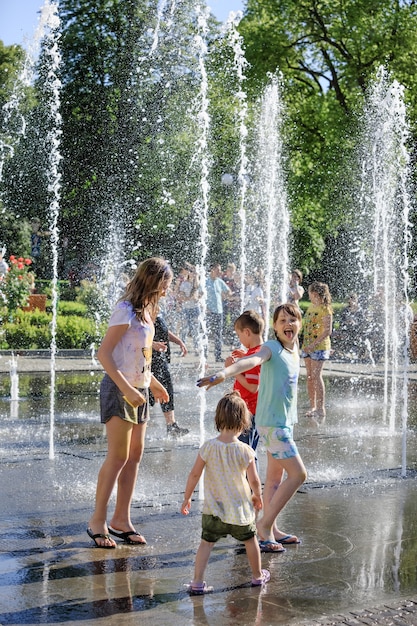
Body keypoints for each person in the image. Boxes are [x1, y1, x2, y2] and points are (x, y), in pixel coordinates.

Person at [197, 303, 307, 551]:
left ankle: (272, 529)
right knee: (299, 474)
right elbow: (249, 361)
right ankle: (264, 526)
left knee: (275, 479)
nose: (288, 324)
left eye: (292, 320)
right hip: (272, 425)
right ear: (275, 328)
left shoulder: (293, 349)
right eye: (282, 321)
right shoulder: (271, 348)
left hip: (284, 422)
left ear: (300, 323)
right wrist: (223, 374)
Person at [87, 257, 173, 549]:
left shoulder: (148, 312)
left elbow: (141, 356)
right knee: (118, 456)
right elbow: (104, 354)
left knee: (134, 455)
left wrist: (155, 385)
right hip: (118, 388)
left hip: (140, 389)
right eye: (165, 283)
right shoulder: (125, 310)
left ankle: (121, 519)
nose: (167, 289)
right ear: (152, 280)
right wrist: (126, 388)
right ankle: (97, 521)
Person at [181, 391, 270, 594]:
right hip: (239, 510)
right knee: (250, 540)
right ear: (244, 422)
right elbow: (254, 480)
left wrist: (187, 498)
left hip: (214, 509)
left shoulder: (208, 447)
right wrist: (258, 496)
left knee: (206, 543)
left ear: (218, 419)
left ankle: (197, 581)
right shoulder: (246, 450)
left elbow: (194, 475)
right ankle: (257, 576)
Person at [225, 310, 264, 464]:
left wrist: (233, 369)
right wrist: (244, 357)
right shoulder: (257, 352)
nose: (239, 339)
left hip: (249, 413)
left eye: (239, 335)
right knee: (246, 449)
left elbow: (253, 387)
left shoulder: (254, 356)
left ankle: (248, 484)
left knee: (246, 452)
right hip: (252, 411)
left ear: (247, 332)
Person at [150, 310, 190, 438]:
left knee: (165, 389)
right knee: (152, 391)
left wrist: (178, 341)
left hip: (160, 356)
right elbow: (137, 334)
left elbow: (163, 330)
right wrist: (152, 344)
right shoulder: (145, 307)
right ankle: (134, 424)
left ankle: (171, 425)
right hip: (151, 357)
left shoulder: (155, 307)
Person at [301, 281, 333, 423]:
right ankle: (313, 406)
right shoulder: (311, 307)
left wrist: (313, 344)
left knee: (316, 375)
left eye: (310, 293)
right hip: (307, 346)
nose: (309, 295)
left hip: (319, 347)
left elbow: (327, 331)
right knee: (309, 376)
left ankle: (321, 408)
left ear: (315, 293)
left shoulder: (325, 309)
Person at [206, 263, 231, 362]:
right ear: (212, 270)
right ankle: (204, 356)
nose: (220, 272)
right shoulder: (205, 281)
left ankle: (218, 355)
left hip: (219, 311)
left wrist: (226, 295)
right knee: (206, 334)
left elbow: (228, 291)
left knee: (218, 334)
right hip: (208, 312)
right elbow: (199, 294)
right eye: (218, 270)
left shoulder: (220, 282)